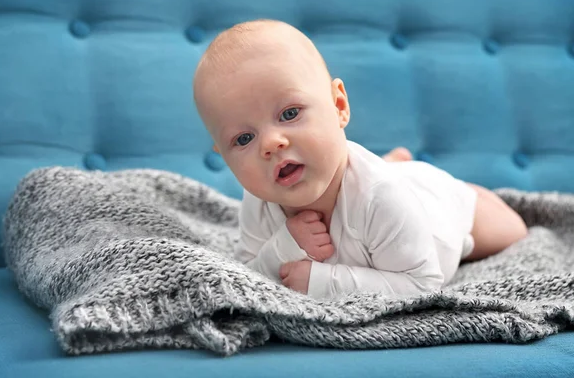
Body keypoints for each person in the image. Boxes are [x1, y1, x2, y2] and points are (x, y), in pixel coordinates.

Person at [192, 19, 528, 299]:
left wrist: (320, 282)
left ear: (339, 106)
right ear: (225, 156)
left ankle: (431, 180)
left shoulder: (381, 197)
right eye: (244, 139)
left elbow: (423, 285)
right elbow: (248, 272)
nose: (271, 144)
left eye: (289, 113)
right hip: (379, 194)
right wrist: (284, 248)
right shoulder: (259, 199)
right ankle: (392, 162)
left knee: (514, 232)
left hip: (437, 207)